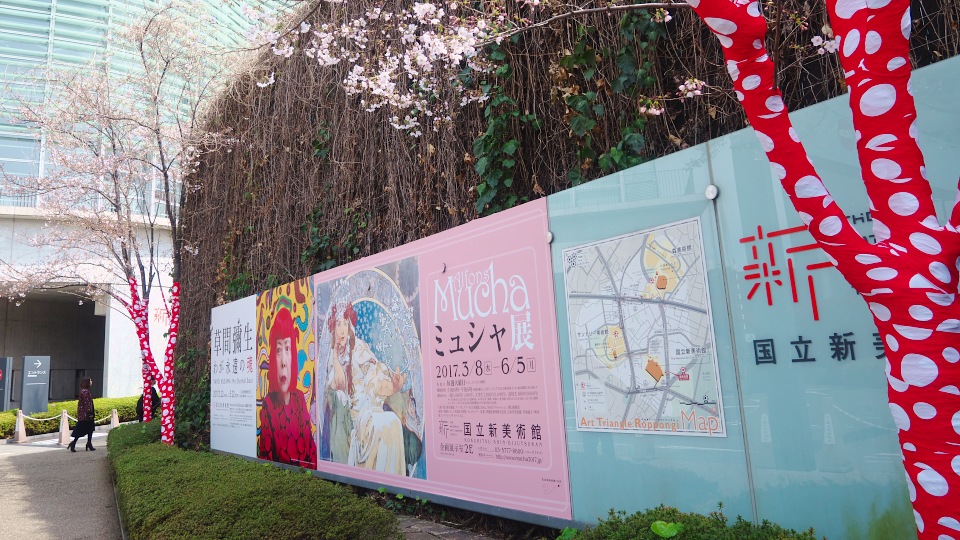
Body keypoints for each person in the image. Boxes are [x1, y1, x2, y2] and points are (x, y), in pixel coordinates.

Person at [323, 301, 407, 475]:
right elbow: (340, 383)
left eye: (345, 324)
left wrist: (392, 386)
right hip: (359, 419)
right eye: (338, 324)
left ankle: (392, 480)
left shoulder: (359, 348)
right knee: (383, 425)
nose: (342, 330)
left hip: (371, 410)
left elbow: (375, 378)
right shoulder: (333, 361)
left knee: (393, 421)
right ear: (333, 328)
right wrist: (336, 356)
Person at [258, 307, 317, 468]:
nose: (283, 361)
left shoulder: (299, 399)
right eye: (278, 350)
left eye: (287, 348)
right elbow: (267, 463)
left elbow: (312, 453)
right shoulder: (268, 405)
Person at [67, 377, 96, 452]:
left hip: (84, 414)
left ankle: (88, 443)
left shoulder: (84, 391)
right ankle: (74, 443)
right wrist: (90, 412)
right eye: (90, 380)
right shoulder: (85, 392)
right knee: (82, 429)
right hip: (86, 415)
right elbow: (87, 404)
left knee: (89, 429)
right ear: (87, 382)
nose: (91, 382)